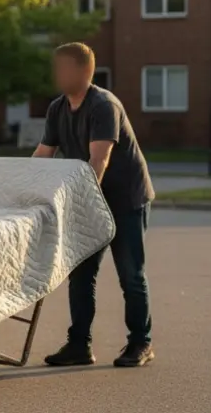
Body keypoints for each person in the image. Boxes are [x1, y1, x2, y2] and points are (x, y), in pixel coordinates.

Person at [34, 42, 155, 368]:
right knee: (81, 275)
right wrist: (24, 189)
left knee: (130, 275)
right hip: (90, 199)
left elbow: (97, 162)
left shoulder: (103, 106)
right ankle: (79, 345)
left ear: (84, 71)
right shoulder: (58, 108)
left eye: (64, 68)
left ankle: (141, 343)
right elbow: (43, 156)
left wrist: (79, 204)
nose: (58, 74)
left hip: (125, 199)